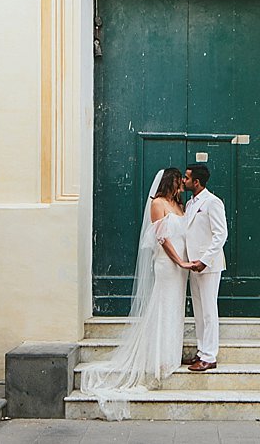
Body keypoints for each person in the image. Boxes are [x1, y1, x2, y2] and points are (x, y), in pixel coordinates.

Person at [79, 168, 194, 420]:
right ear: (169, 182)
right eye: (178, 182)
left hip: (182, 267)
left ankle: (170, 357)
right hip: (167, 264)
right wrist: (180, 262)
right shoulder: (158, 204)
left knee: (174, 309)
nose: (181, 187)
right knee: (162, 306)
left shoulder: (179, 205)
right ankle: (158, 360)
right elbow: (162, 239)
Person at [182, 163, 228, 371]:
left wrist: (205, 260)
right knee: (199, 311)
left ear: (196, 182)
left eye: (187, 177)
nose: (184, 180)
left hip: (208, 265)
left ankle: (210, 356)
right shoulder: (191, 204)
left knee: (209, 311)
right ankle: (201, 351)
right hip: (193, 264)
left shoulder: (212, 202)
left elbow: (221, 234)